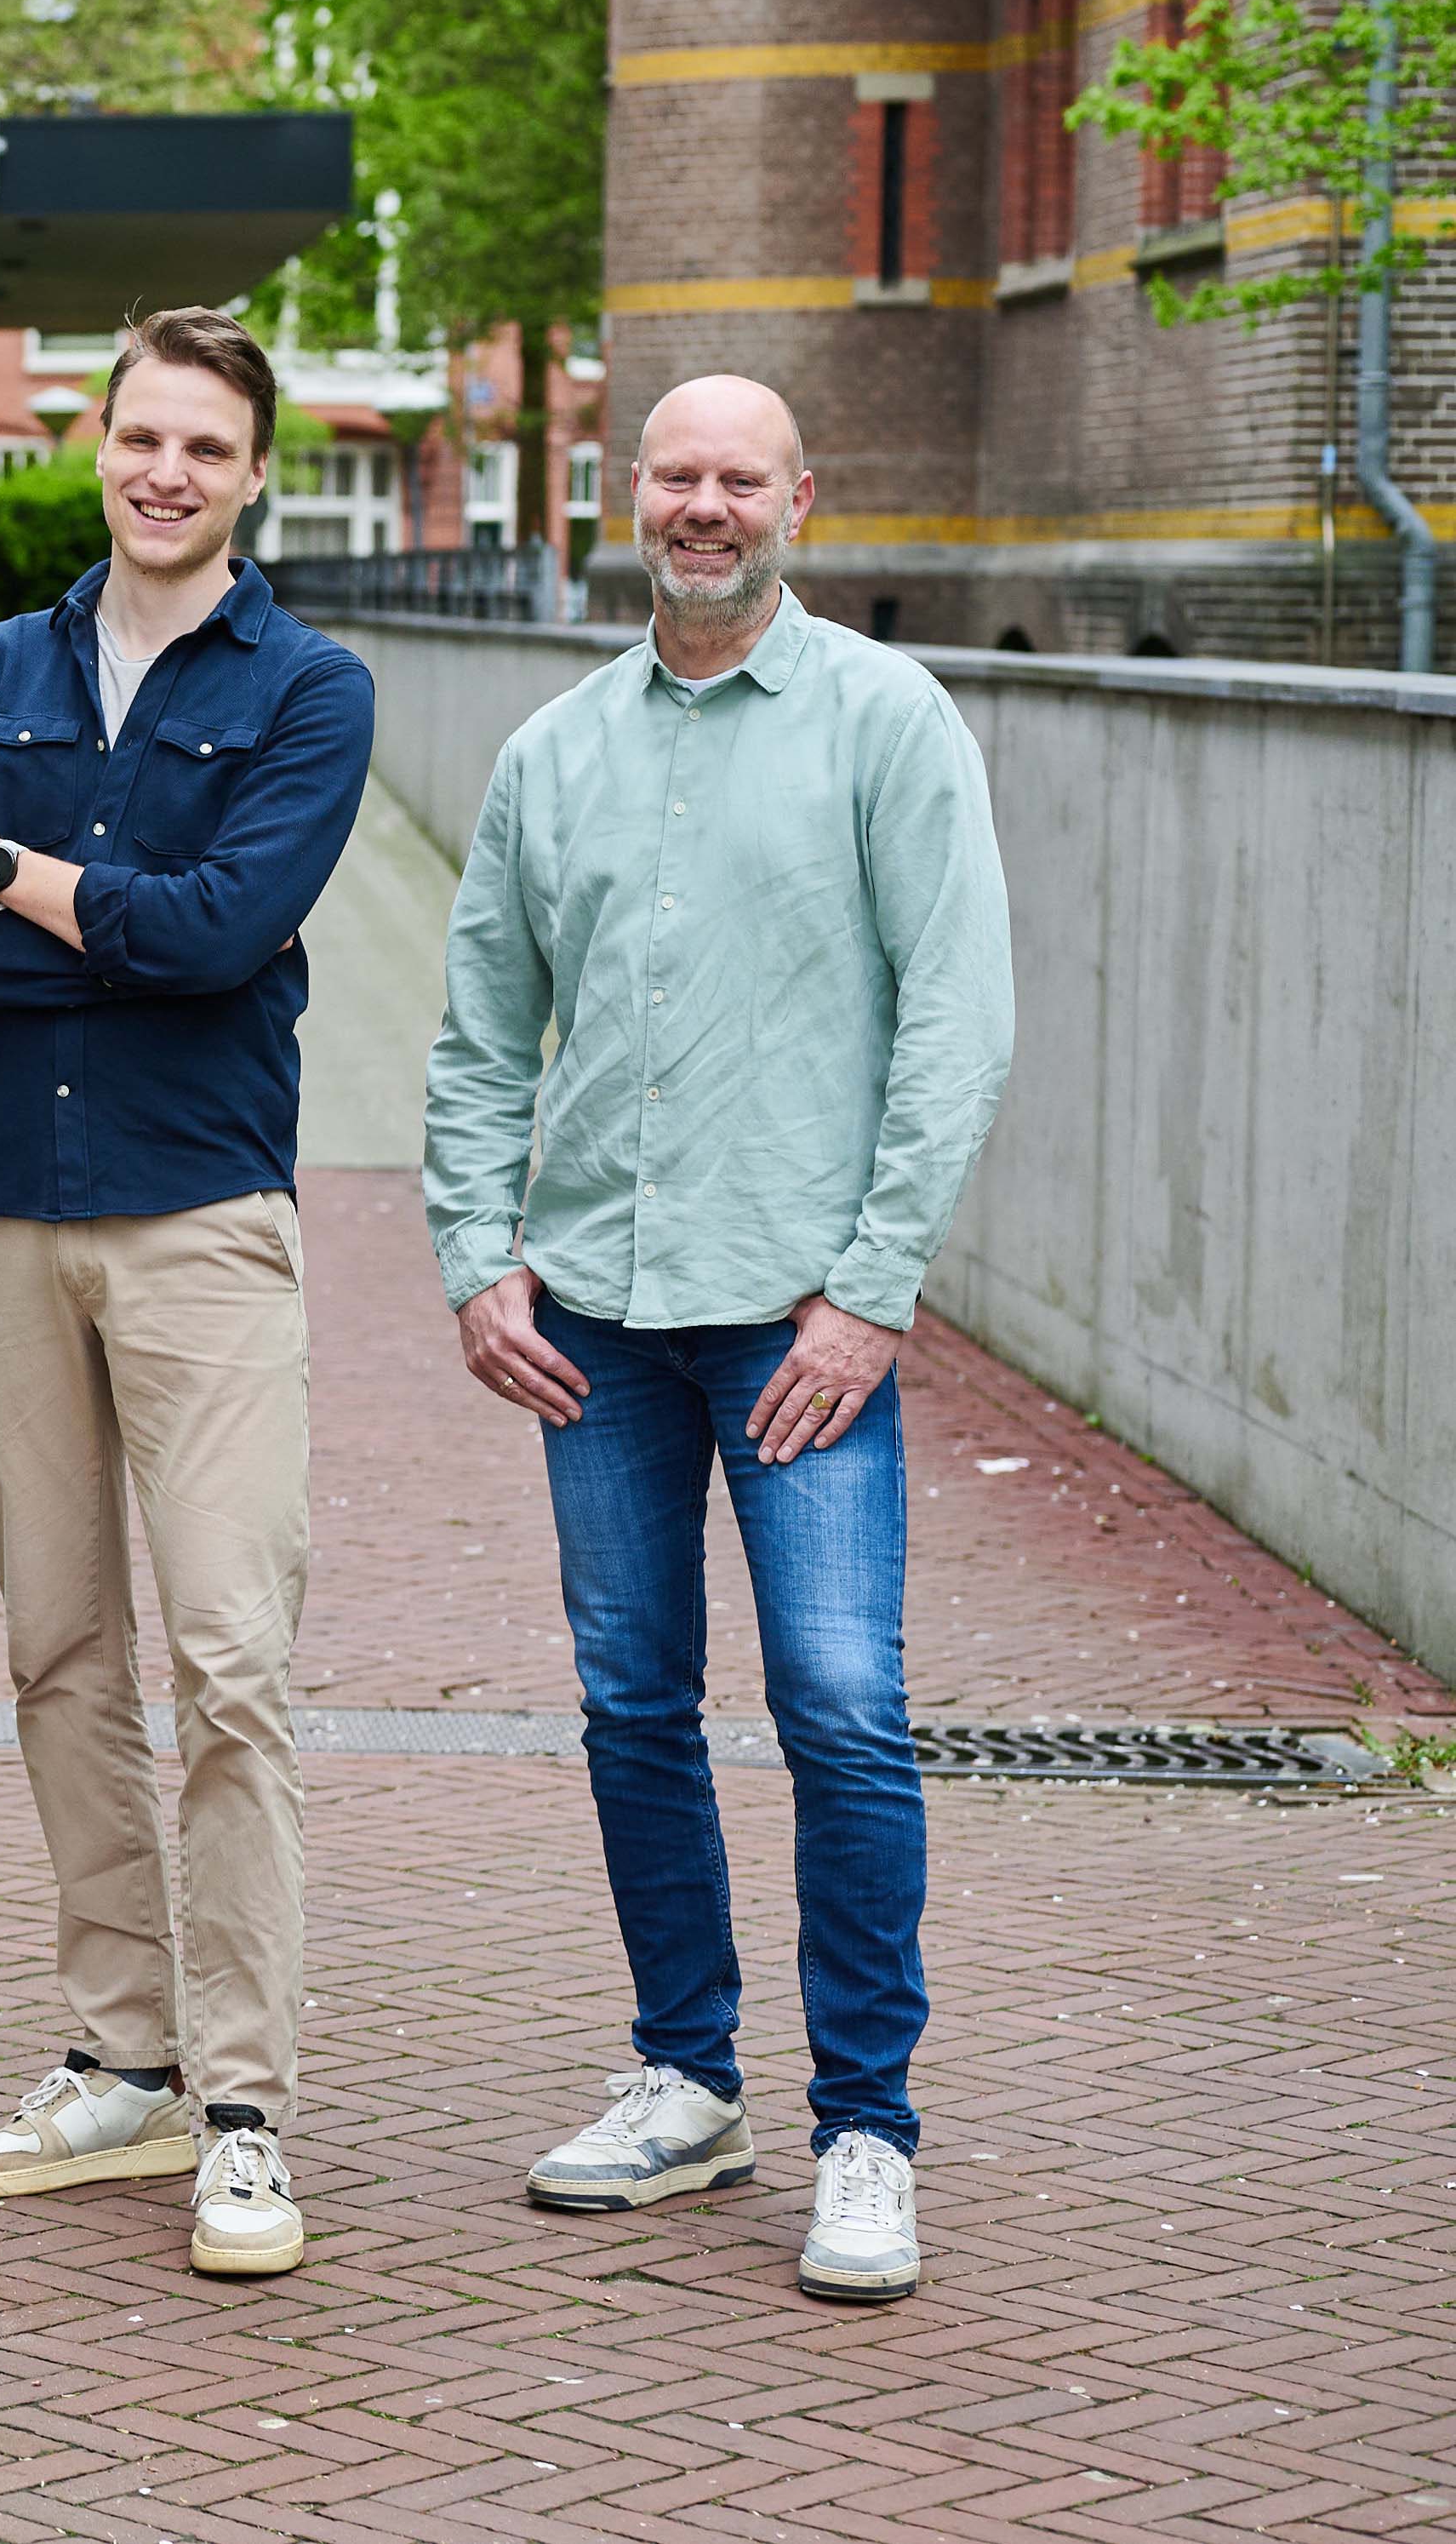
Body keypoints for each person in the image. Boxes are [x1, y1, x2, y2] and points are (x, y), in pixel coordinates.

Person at [423, 371, 1009, 2307]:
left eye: (733, 480)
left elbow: (954, 1023)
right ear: (623, 494)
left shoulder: (885, 723)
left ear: (794, 502)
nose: (699, 507)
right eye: (670, 476)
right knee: (628, 1704)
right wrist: (468, 1256)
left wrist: (868, 1289)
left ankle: (866, 2129)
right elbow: (476, 1029)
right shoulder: (552, 752)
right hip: (589, 1317)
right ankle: (686, 2079)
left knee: (839, 1711)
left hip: (793, 1326)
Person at [0, 303, 370, 2281]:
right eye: (137, 436)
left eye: (203, 447)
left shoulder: (308, 690)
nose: (163, 472)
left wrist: (3, 870)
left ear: (254, 476)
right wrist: (82, 914)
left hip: (194, 1218)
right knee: (57, 1652)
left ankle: (242, 2107)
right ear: (95, 444)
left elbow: (228, 929)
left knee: (231, 1662)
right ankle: (120, 2059)